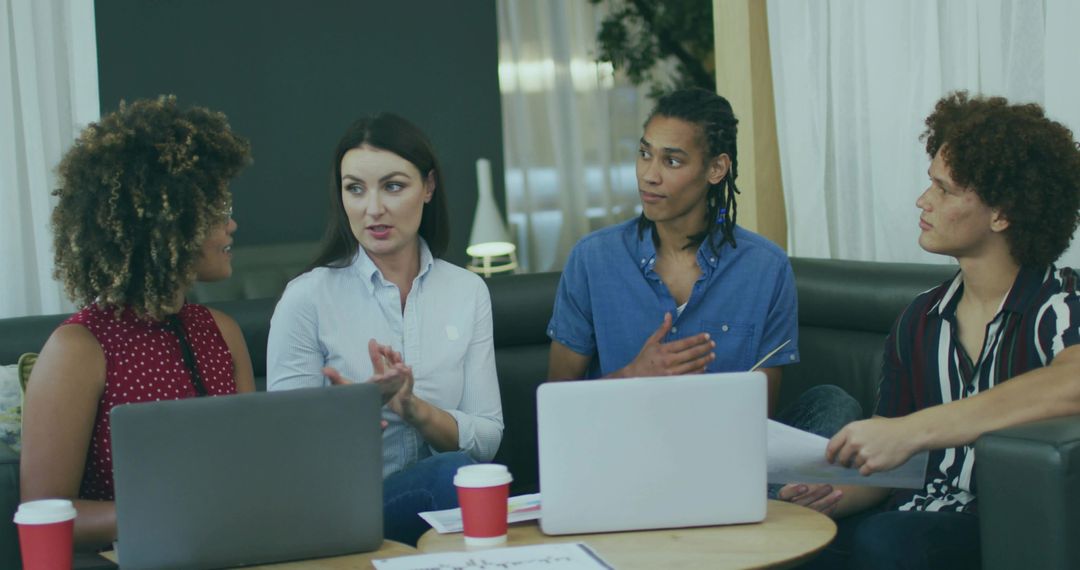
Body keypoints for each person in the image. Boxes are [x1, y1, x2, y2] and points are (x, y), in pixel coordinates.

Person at [780, 91, 1080, 570]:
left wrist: (912, 431)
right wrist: (832, 493)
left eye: (945, 189)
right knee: (800, 543)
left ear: (1002, 213)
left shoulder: (1060, 306)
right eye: (930, 184)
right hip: (904, 520)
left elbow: (1073, 381)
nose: (924, 200)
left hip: (994, 528)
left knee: (885, 542)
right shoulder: (919, 318)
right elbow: (893, 466)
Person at [547, 87, 860, 433]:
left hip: (725, 447)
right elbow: (559, 408)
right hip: (625, 445)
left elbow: (759, 419)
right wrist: (633, 376)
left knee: (833, 404)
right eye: (645, 154)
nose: (649, 175)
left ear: (716, 169)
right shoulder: (592, 259)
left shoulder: (765, 269)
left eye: (672, 161)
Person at [19, 96, 256, 549]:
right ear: (166, 223)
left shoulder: (222, 332)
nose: (232, 225)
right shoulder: (78, 349)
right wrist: (175, 514)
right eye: (217, 210)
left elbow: (250, 470)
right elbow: (44, 515)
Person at [267, 113, 503, 545]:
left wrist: (414, 410)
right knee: (453, 476)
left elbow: (486, 439)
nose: (372, 208)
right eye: (355, 188)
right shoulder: (307, 299)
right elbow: (286, 453)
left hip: (439, 498)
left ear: (428, 187)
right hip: (337, 510)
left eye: (393, 186)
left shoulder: (467, 291)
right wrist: (355, 409)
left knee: (463, 477)